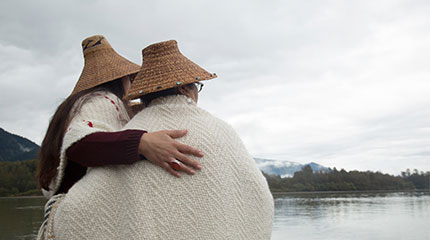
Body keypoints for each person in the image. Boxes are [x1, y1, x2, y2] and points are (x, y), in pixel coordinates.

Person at [53, 40, 274, 240]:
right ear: (184, 87)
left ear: (144, 94)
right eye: (197, 86)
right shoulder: (223, 131)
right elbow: (259, 197)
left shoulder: (128, 125)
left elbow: (78, 212)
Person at [36, 36, 203, 239]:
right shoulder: (103, 101)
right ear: (121, 79)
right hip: (83, 212)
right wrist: (141, 143)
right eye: (131, 79)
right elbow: (79, 145)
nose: (132, 85)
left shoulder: (77, 104)